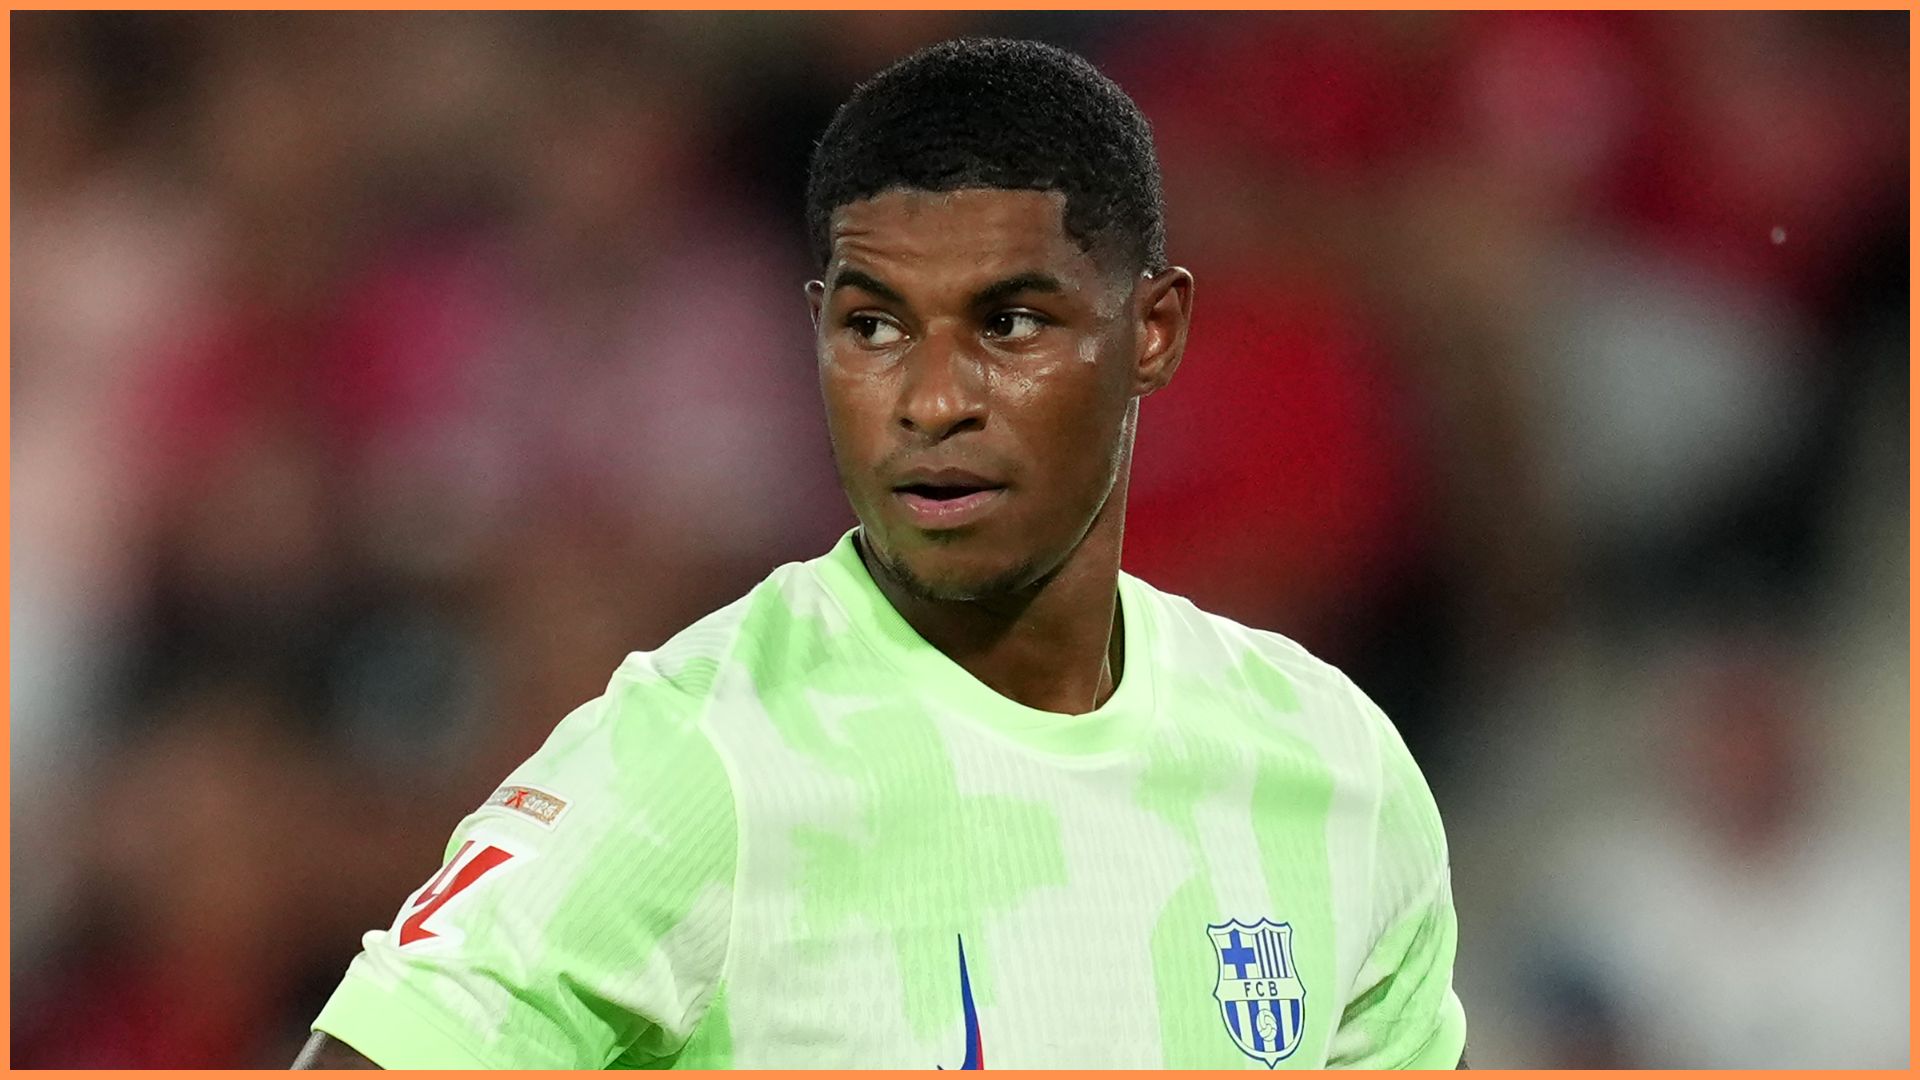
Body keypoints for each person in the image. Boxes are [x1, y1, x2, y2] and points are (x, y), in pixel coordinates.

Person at [295, 36, 1467, 1070]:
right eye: (874, 327)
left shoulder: (1335, 769)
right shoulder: (697, 758)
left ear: (1151, 331)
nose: (932, 398)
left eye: (1009, 322)